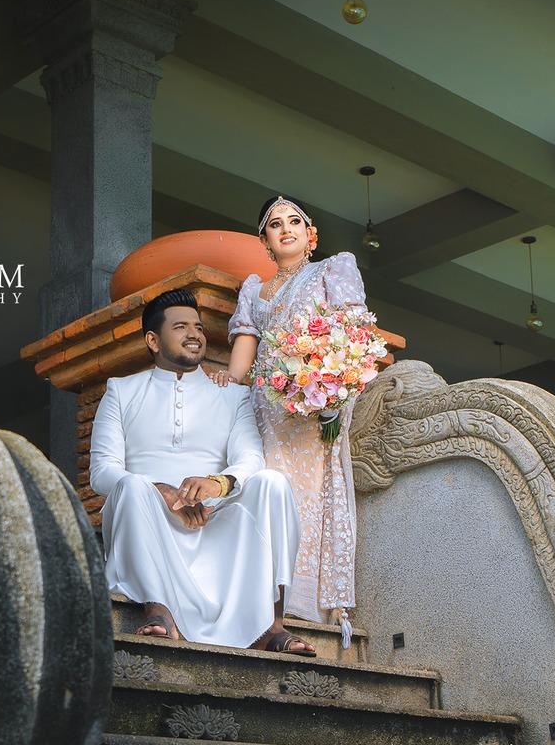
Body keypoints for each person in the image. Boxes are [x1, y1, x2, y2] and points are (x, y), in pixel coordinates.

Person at [89, 288, 318, 656]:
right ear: (153, 340)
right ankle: (159, 610)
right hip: (147, 518)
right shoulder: (121, 391)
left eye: (197, 327)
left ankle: (270, 624)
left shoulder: (231, 395)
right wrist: (160, 491)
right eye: (180, 327)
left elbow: (250, 458)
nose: (194, 334)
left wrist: (218, 484)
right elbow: (102, 472)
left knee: (271, 482)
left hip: (213, 520)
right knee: (130, 486)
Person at [217, 196, 376, 626]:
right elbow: (246, 347)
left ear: (311, 235)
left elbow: (353, 336)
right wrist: (228, 381)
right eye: (274, 224)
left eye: (294, 221)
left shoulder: (331, 270)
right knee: (264, 484)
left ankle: (299, 599)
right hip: (264, 408)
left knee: (304, 491)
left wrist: (333, 394)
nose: (285, 229)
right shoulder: (255, 289)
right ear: (264, 241)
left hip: (312, 408)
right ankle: (260, 591)